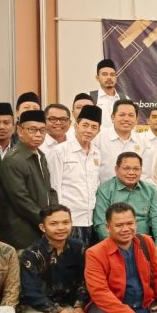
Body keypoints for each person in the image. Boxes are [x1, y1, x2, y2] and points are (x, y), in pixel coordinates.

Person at [17, 205, 89, 313]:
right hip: (36, 305)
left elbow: (84, 281)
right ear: (42, 227)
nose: (61, 227)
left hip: (66, 302)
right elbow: (30, 293)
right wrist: (60, 312)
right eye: (54, 224)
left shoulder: (78, 247)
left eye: (65, 222)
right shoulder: (31, 254)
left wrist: (79, 306)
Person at [0, 110, 57, 249]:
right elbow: (21, 199)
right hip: (21, 231)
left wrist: (54, 215)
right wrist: (46, 220)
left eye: (42, 130)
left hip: (41, 226)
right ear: (20, 130)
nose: (38, 134)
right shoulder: (13, 160)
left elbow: (49, 190)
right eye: (32, 129)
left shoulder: (41, 155)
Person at [47, 105, 102, 247]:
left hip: (90, 220)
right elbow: (54, 187)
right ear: (76, 126)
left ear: (98, 131)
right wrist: (59, 219)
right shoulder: (60, 151)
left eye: (94, 127)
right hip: (69, 221)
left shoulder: (96, 153)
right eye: (85, 125)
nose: (89, 130)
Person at [93, 152, 157, 257]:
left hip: (144, 243)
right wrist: (115, 247)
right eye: (126, 168)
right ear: (116, 169)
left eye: (136, 169)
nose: (131, 173)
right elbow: (100, 223)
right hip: (115, 245)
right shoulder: (105, 190)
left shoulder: (150, 190)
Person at [97, 99, 144, 184]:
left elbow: (145, 173)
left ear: (136, 119)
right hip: (105, 190)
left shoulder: (143, 141)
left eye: (131, 115)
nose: (126, 119)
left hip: (135, 191)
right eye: (122, 115)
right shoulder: (99, 139)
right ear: (113, 117)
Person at [90, 59, 126, 131]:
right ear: (97, 78)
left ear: (116, 77)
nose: (109, 77)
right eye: (104, 74)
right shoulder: (90, 98)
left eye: (112, 74)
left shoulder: (125, 99)